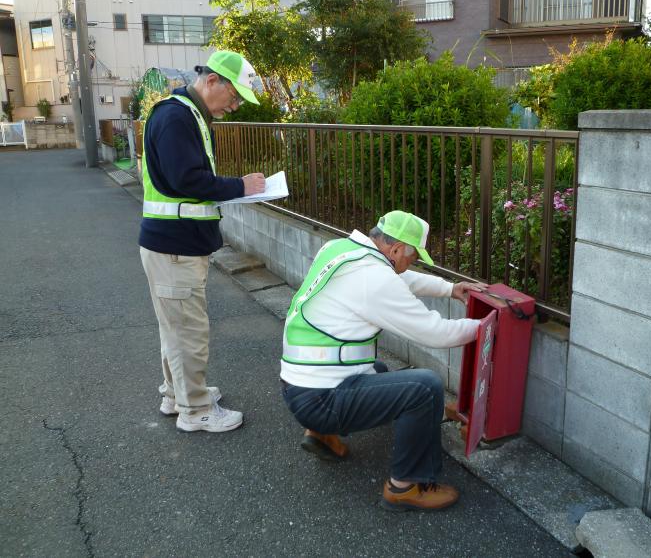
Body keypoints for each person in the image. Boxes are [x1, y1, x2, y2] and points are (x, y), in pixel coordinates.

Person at [280, 210, 483, 511]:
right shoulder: (374, 278)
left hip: (298, 386)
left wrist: (450, 289)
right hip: (320, 400)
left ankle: (322, 434)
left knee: (380, 371)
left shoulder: (342, 249)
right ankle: (405, 486)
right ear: (397, 249)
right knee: (424, 388)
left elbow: (399, 278)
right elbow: (436, 333)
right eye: (411, 258)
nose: (408, 265)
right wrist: (486, 327)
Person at [139, 50, 265, 433]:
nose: (235, 104)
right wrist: (240, 186)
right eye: (234, 95)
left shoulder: (183, 113)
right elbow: (187, 180)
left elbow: (183, 179)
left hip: (173, 243)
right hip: (175, 246)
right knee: (188, 331)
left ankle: (177, 394)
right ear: (212, 81)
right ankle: (195, 410)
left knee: (175, 327)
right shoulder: (179, 116)